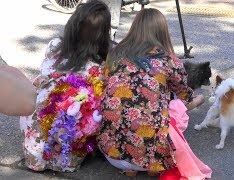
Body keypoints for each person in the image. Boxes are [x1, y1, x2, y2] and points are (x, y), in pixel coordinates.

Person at [97, 8, 210, 178]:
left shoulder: (115, 54)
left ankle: (130, 167)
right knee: (175, 106)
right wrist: (198, 100)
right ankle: (151, 163)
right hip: (151, 159)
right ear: (162, 32)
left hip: (110, 154)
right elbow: (184, 96)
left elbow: (106, 83)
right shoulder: (169, 60)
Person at [19, 0, 111, 172]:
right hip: (68, 148)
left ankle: (37, 149)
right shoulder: (100, 67)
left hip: (36, 143)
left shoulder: (54, 47)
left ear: (72, 26)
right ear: (102, 35)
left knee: (42, 95)